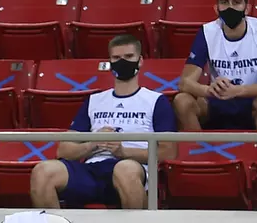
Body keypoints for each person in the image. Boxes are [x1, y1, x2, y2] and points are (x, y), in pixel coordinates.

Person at [30, 34, 177, 210]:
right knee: (42, 172)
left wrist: (123, 151)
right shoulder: (94, 100)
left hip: (131, 167)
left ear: (140, 61)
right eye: (116, 58)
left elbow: (168, 152)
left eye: (129, 57)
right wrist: (93, 143)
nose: (122, 61)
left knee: (125, 170)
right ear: (110, 62)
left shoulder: (156, 101)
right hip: (92, 168)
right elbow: (64, 150)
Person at [174, 0, 257, 132]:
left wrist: (238, 90)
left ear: (247, 8)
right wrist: (209, 90)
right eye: (224, 2)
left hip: (249, 99)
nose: (230, 7)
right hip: (217, 100)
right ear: (216, 8)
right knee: (182, 100)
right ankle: (197, 152)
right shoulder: (207, 32)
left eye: (236, 2)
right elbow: (185, 83)